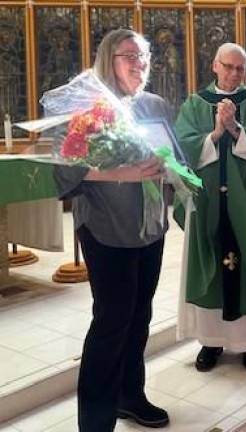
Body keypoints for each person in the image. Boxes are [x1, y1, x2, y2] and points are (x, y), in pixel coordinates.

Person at [53, 29, 171, 432]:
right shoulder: (88, 108)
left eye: (143, 56)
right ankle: (96, 421)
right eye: (129, 56)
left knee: (140, 316)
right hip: (106, 229)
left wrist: (174, 168)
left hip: (151, 227)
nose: (139, 64)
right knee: (111, 321)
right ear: (108, 59)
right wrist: (123, 173)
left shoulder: (155, 104)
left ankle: (129, 395)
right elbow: (64, 171)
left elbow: (171, 155)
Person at [174, 42, 246, 372]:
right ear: (215, 67)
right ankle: (211, 341)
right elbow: (183, 146)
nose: (234, 73)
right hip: (207, 198)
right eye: (229, 66)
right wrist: (216, 133)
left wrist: (235, 129)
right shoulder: (194, 105)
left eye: (240, 68)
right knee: (210, 262)